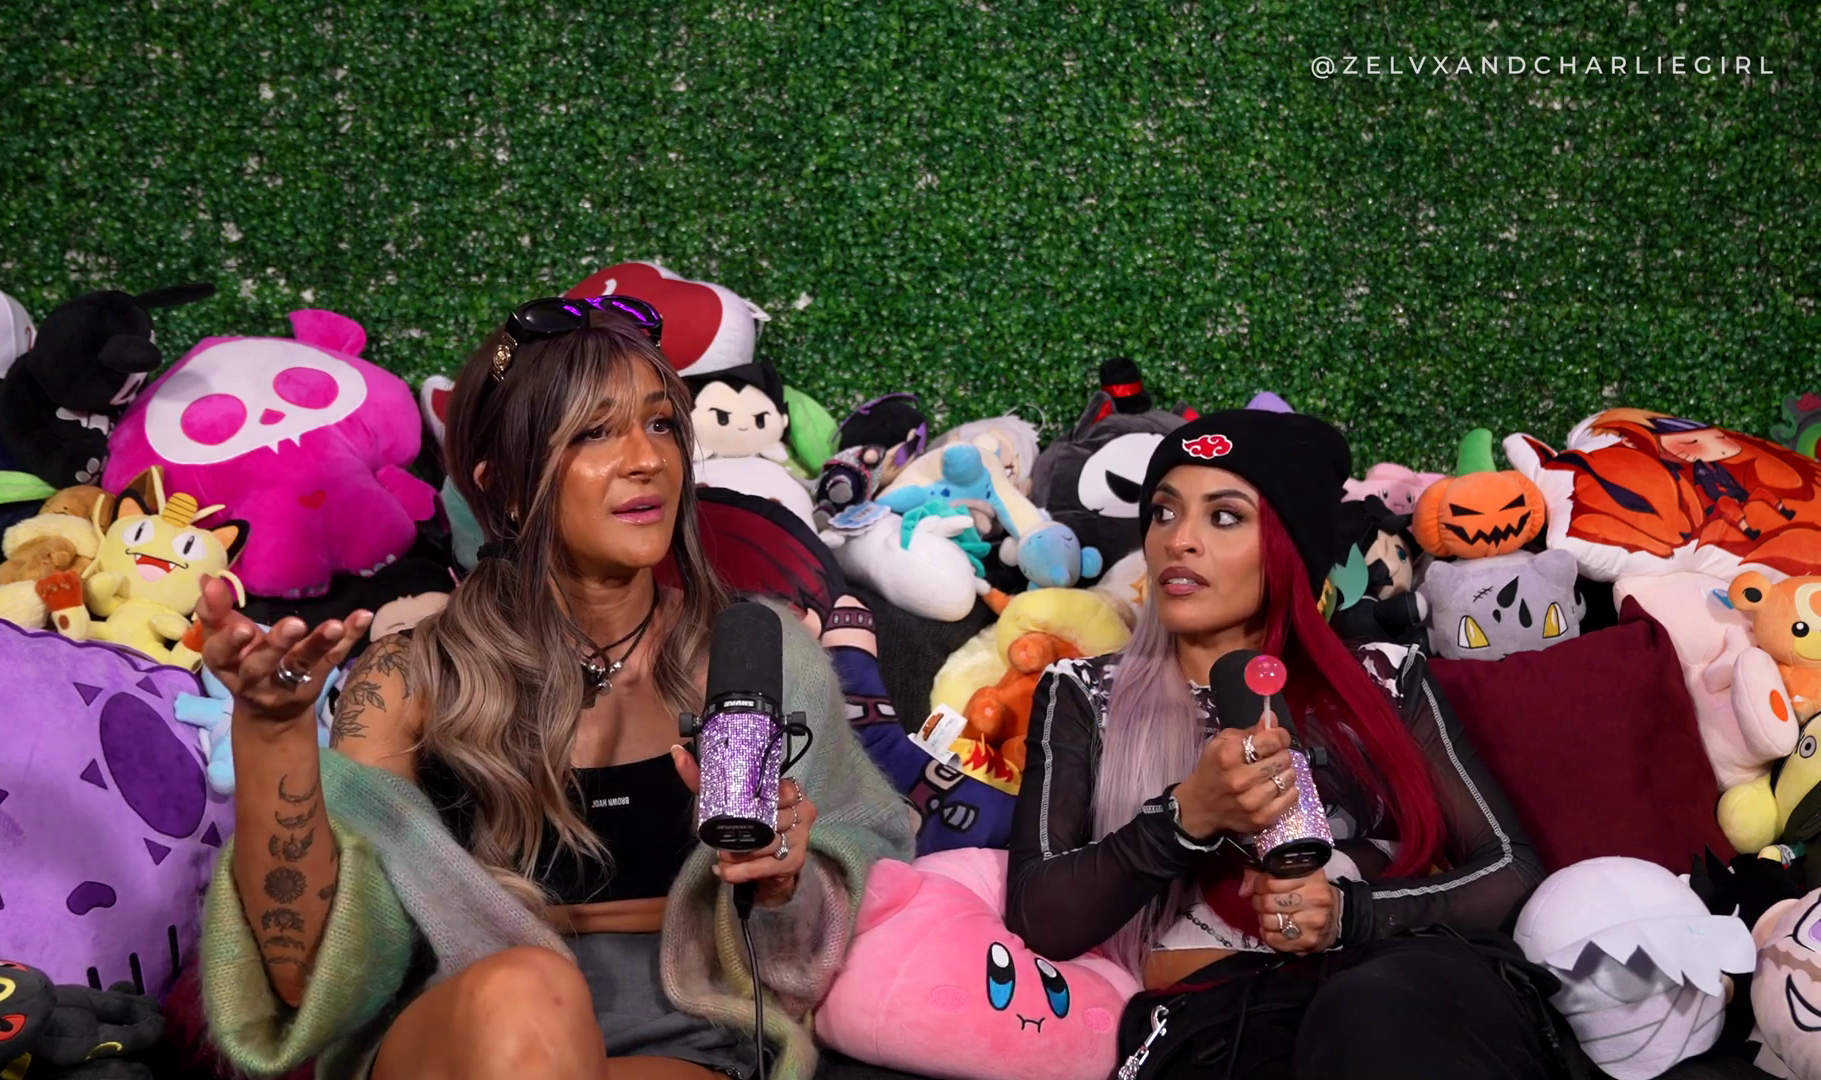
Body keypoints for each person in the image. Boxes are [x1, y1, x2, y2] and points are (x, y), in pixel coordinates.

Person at [194, 296, 915, 1080]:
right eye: (593, 432)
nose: (646, 459)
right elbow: (306, 973)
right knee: (528, 997)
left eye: (660, 423)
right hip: (463, 1022)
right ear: (504, 484)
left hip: (687, 1029)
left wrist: (783, 881)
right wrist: (272, 733)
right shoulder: (408, 680)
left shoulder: (756, 656)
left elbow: (841, 901)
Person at [1005, 410, 1561, 1080]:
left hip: (1402, 988)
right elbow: (1040, 915)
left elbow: (1511, 867)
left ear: (1290, 547)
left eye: (1225, 516)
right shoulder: (1084, 691)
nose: (1180, 540)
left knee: (1373, 1015)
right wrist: (1187, 818)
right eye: (1163, 513)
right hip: (1224, 1022)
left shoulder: (1384, 677)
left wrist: (1350, 914)